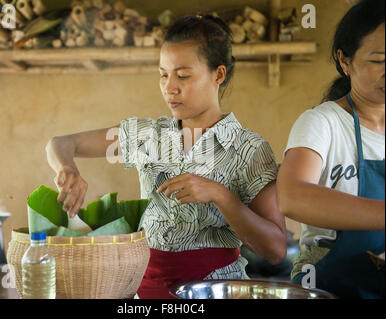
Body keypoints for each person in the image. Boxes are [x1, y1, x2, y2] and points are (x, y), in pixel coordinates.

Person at [46, 15, 287, 299]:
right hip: (143, 289)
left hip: (216, 290)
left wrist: (221, 195)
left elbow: (275, 249)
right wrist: (67, 168)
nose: (169, 87)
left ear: (218, 75)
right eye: (163, 74)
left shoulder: (248, 149)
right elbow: (61, 143)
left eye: (183, 75)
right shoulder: (148, 135)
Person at [277, 0, 384, 299]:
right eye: (379, 60)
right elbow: (292, 196)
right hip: (326, 285)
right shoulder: (322, 123)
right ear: (345, 61)